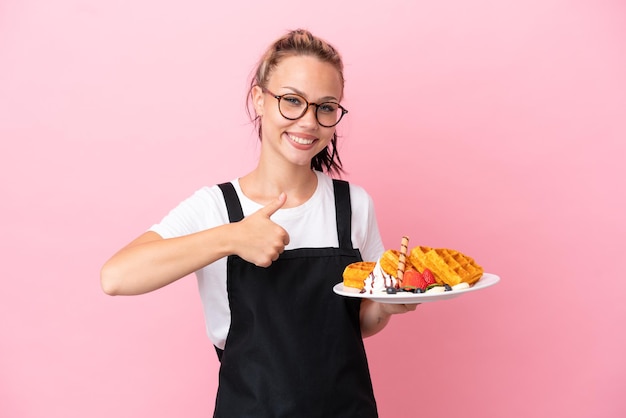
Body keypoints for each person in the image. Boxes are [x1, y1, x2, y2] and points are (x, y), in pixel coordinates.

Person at [101, 28, 417, 417]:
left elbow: (358, 322)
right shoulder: (216, 207)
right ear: (259, 99)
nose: (308, 122)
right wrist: (232, 237)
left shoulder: (352, 205)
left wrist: (388, 307)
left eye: (325, 107)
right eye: (291, 101)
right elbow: (116, 277)